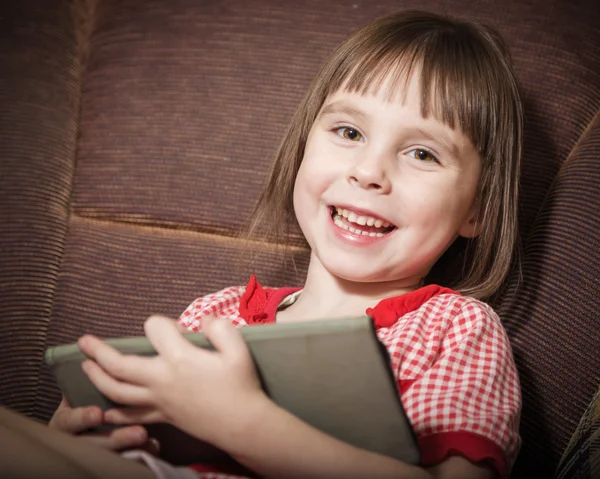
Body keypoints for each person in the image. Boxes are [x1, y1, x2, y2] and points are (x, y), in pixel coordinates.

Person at [48, 9, 523, 479]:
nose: (368, 172)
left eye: (422, 153)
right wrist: (77, 433)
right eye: (349, 131)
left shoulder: (456, 330)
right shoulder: (214, 316)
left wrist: (241, 421)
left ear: (477, 209)